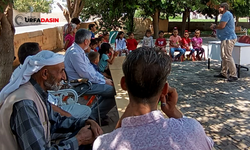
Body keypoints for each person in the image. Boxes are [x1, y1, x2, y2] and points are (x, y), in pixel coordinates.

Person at [93, 48, 214, 150]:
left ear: (124, 84)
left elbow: (113, 136)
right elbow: (208, 145)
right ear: (165, 90)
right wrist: (173, 112)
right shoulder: (192, 129)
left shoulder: (104, 144)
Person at [0, 50, 102, 149]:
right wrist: (79, 139)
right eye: (61, 71)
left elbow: (56, 121)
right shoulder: (25, 104)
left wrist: (86, 122)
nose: (64, 77)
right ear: (45, 74)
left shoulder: (37, 92)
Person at [13, 43, 91, 119]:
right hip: (54, 111)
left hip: (53, 108)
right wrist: (70, 119)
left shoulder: (21, 75)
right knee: (86, 111)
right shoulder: (27, 101)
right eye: (42, 53)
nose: (64, 77)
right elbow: (51, 111)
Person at [64, 29, 117, 124]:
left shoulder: (78, 51)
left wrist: (104, 79)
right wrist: (104, 81)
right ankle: (94, 117)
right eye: (89, 40)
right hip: (81, 85)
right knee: (114, 92)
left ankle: (96, 114)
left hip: (87, 81)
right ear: (86, 41)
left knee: (110, 89)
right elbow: (85, 74)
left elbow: (91, 70)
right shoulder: (75, 53)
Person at [210, 2, 238, 82]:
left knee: (227, 56)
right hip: (224, 38)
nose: (219, 9)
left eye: (220, 7)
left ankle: (233, 75)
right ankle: (224, 72)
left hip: (228, 38)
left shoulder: (226, 14)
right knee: (224, 56)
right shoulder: (225, 15)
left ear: (223, 8)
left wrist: (214, 26)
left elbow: (222, 26)